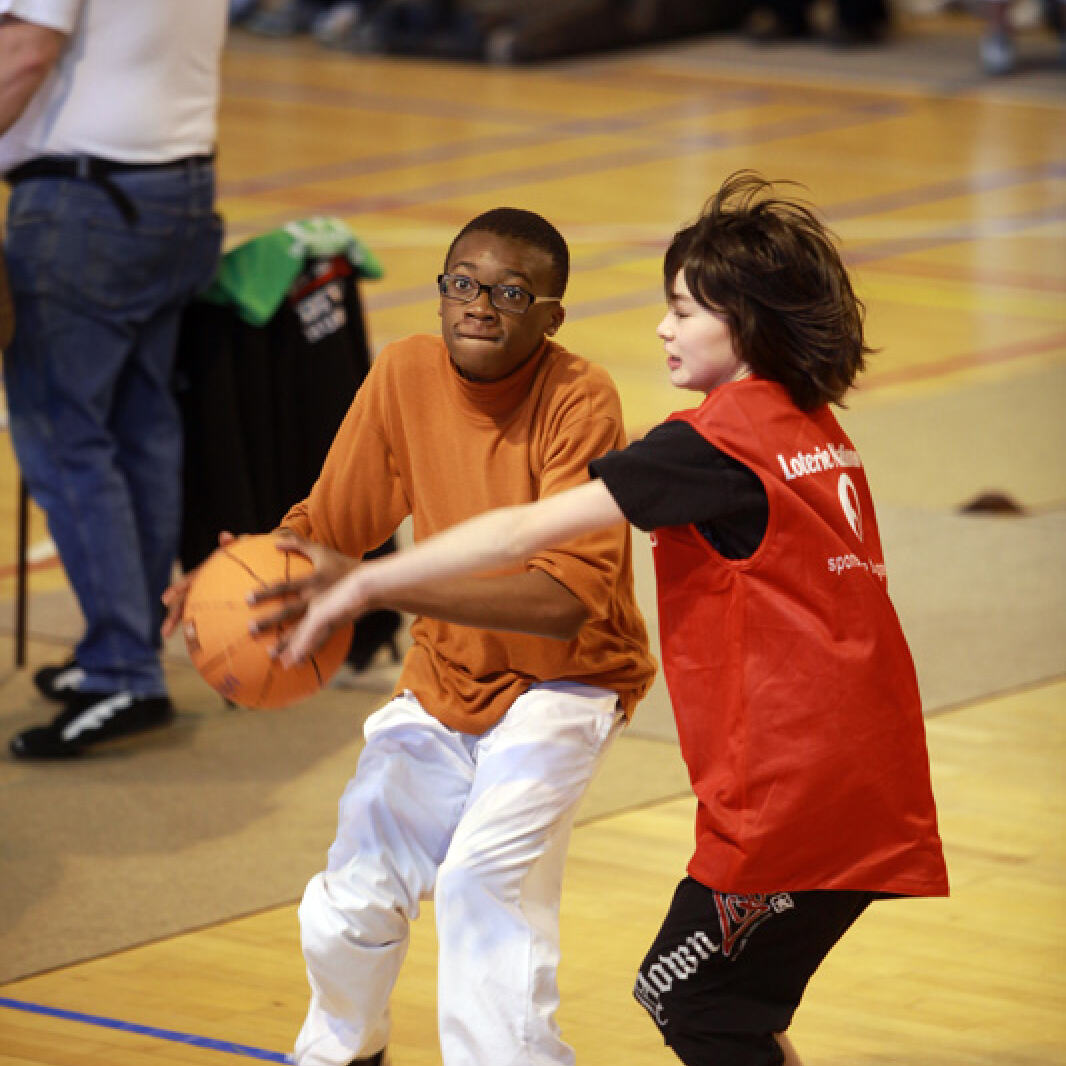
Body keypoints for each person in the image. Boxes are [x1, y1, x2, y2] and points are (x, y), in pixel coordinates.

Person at [279, 172, 951, 1066]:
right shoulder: (808, 423)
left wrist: (369, 587)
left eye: (683, 310)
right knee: (712, 1002)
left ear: (746, 323)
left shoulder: (714, 445)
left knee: (688, 996)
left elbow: (524, 538)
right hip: (856, 771)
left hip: (798, 798)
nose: (663, 329)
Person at [164, 205, 655, 1065]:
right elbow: (331, 527)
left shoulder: (581, 399)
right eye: (464, 283)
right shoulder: (403, 374)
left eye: (510, 293)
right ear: (440, 293)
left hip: (567, 685)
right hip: (444, 675)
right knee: (345, 903)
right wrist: (238, 582)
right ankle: (346, 1051)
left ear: (551, 317)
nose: (480, 305)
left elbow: (564, 601)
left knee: (482, 887)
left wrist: (378, 587)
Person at [1, 0, 227, 758]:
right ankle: (125, 647)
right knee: (140, 432)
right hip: (175, 191)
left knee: (64, 439)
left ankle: (122, 669)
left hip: (86, 205)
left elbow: (25, 54)